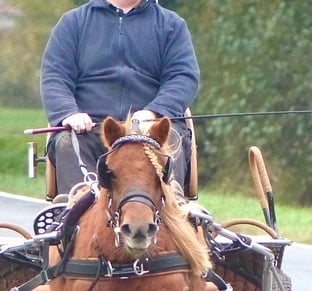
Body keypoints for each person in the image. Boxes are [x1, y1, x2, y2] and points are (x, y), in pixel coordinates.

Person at [40, 0, 200, 197]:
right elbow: (55, 76)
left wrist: (154, 111)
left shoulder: (171, 25)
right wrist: (68, 113)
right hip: (91, 129)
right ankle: (77, 212)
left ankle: (172, 210)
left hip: (151, 129)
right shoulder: (73, 23)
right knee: (66, 142)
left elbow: (183, 76)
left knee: (172, 138)